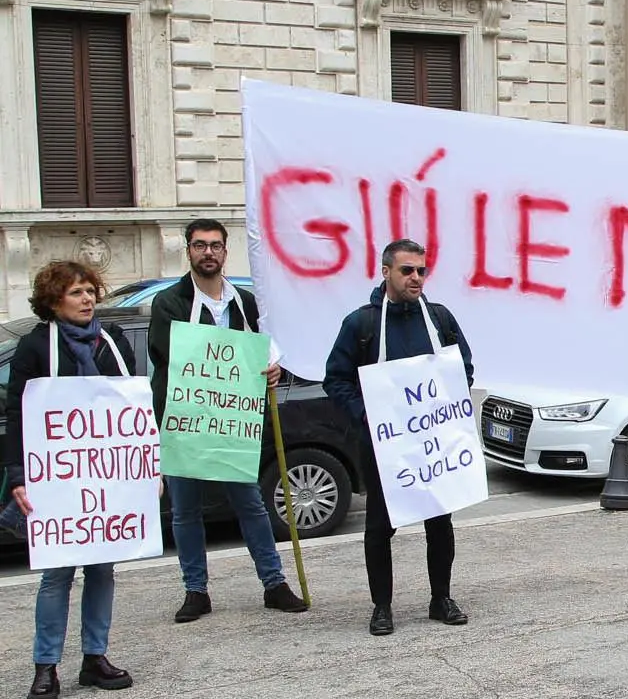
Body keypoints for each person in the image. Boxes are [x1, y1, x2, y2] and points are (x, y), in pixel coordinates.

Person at [148, 218, 308, 621]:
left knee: (250, 503)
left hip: (232, 422)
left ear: (225, 251)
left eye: (216, 245)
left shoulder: (246, 303)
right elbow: (170, 356)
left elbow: (263, 350)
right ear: (188, 251)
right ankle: (195, 590)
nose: (208, 252)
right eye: (200, 245)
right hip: (185, 421)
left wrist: (271, 368)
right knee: (185, 510)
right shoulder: (170, 303)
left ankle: (274, 583)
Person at [324, 239, 473, 636]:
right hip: (385, 448)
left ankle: (441, 598)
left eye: (421, 270)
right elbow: (335, 380)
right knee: (379, 528)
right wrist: (365, 414)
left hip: (432, 444)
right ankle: (382, 607)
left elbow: (464, 368)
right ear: (386, 271)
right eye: (407, 270)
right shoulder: (362, 324)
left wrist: (447, 405)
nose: (416, 278)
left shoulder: (439, 318)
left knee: (440, 523)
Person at [5, 262, 137, 699]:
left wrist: (145, 469)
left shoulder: (111, 343)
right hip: (58, 478)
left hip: (105, 477)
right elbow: (18, 418)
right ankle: (46, 667)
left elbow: (133, 409)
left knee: (102, 569)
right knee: (56, 574)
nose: (86, 300)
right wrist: (19, 478)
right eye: (76, 292)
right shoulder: (35, 347)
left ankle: (94, 657)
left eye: (90, 291)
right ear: (53, 301)